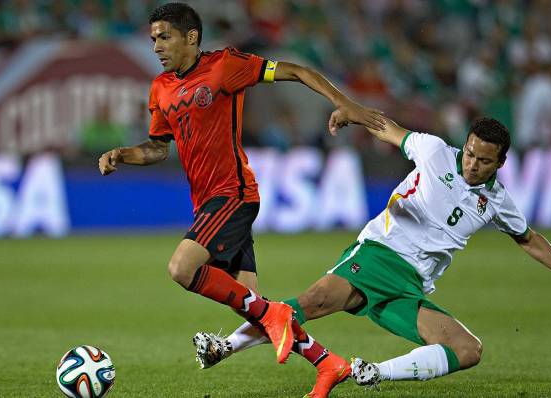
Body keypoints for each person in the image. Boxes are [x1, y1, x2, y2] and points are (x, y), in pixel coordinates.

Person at [194, 114, 551, 395]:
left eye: (483, 160)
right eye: (470, 152)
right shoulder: (436, 152)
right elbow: (386, 127)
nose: (471, 163)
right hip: (381, 252)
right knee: (309, 304)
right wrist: (348, 109)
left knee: (467, 349)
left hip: (411, 286)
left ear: (500, 163)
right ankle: (221, 347)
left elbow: (528, 238)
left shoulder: (497, 202)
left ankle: (372, 372)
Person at [97, 3, 384, 396]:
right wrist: (123, 154)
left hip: (233, 194)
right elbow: (158, 149)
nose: (157, 46)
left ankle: (275, 313)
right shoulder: (161, 88)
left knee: (182, 268)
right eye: (153, 39)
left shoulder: (224, 66)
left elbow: (296, 71)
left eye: (164, 37)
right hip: (207, 204)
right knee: (248, 305)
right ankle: (327, 363)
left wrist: (343, 102)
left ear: (191, 37)